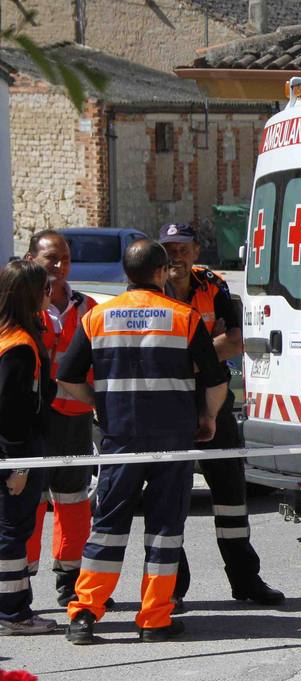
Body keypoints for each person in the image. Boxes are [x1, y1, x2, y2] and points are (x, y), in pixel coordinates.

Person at [58, 239, 229, 644]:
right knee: (165, 528)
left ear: (126, 273)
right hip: (173, 437)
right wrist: (208, 417)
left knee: (108, 526)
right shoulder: (184, 317)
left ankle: (84, 614)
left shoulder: (97, 317)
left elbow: (66, 377)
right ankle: (154, 619)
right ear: (160, 272)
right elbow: (215, 379)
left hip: (120, 437)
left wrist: (99, 404)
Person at [160, 223, 284, 608]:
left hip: (214, 398)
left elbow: (235, 341)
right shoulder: (151, 285)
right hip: (168, 404)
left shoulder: (213, 285)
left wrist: (186, 359)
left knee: (231, 492)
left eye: (183, 249)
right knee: (169, 497)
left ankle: (246, 580)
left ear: (196, 251)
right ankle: (171, 588)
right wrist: (202, 355)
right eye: (169, 249)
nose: (176, 256)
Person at [22, 231, 97, 605]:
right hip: (32, 420)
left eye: (65, 259)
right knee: (28, 501)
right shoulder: (18, 307)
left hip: (75, 419)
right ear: (31, 259)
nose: (59, 266)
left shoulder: (88, 307)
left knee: (73, 500)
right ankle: (18, 582)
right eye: (51, 258)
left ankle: (71, 580)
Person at [0, 261, 59, 635]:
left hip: (12, 449)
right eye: (45, 288)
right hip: (16, 452)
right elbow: (12, 412)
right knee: (12, 531)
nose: (49, 295)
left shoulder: (8, 335)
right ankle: (13, 614)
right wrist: (18, 466)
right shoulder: (19, 346)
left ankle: (14, 608)